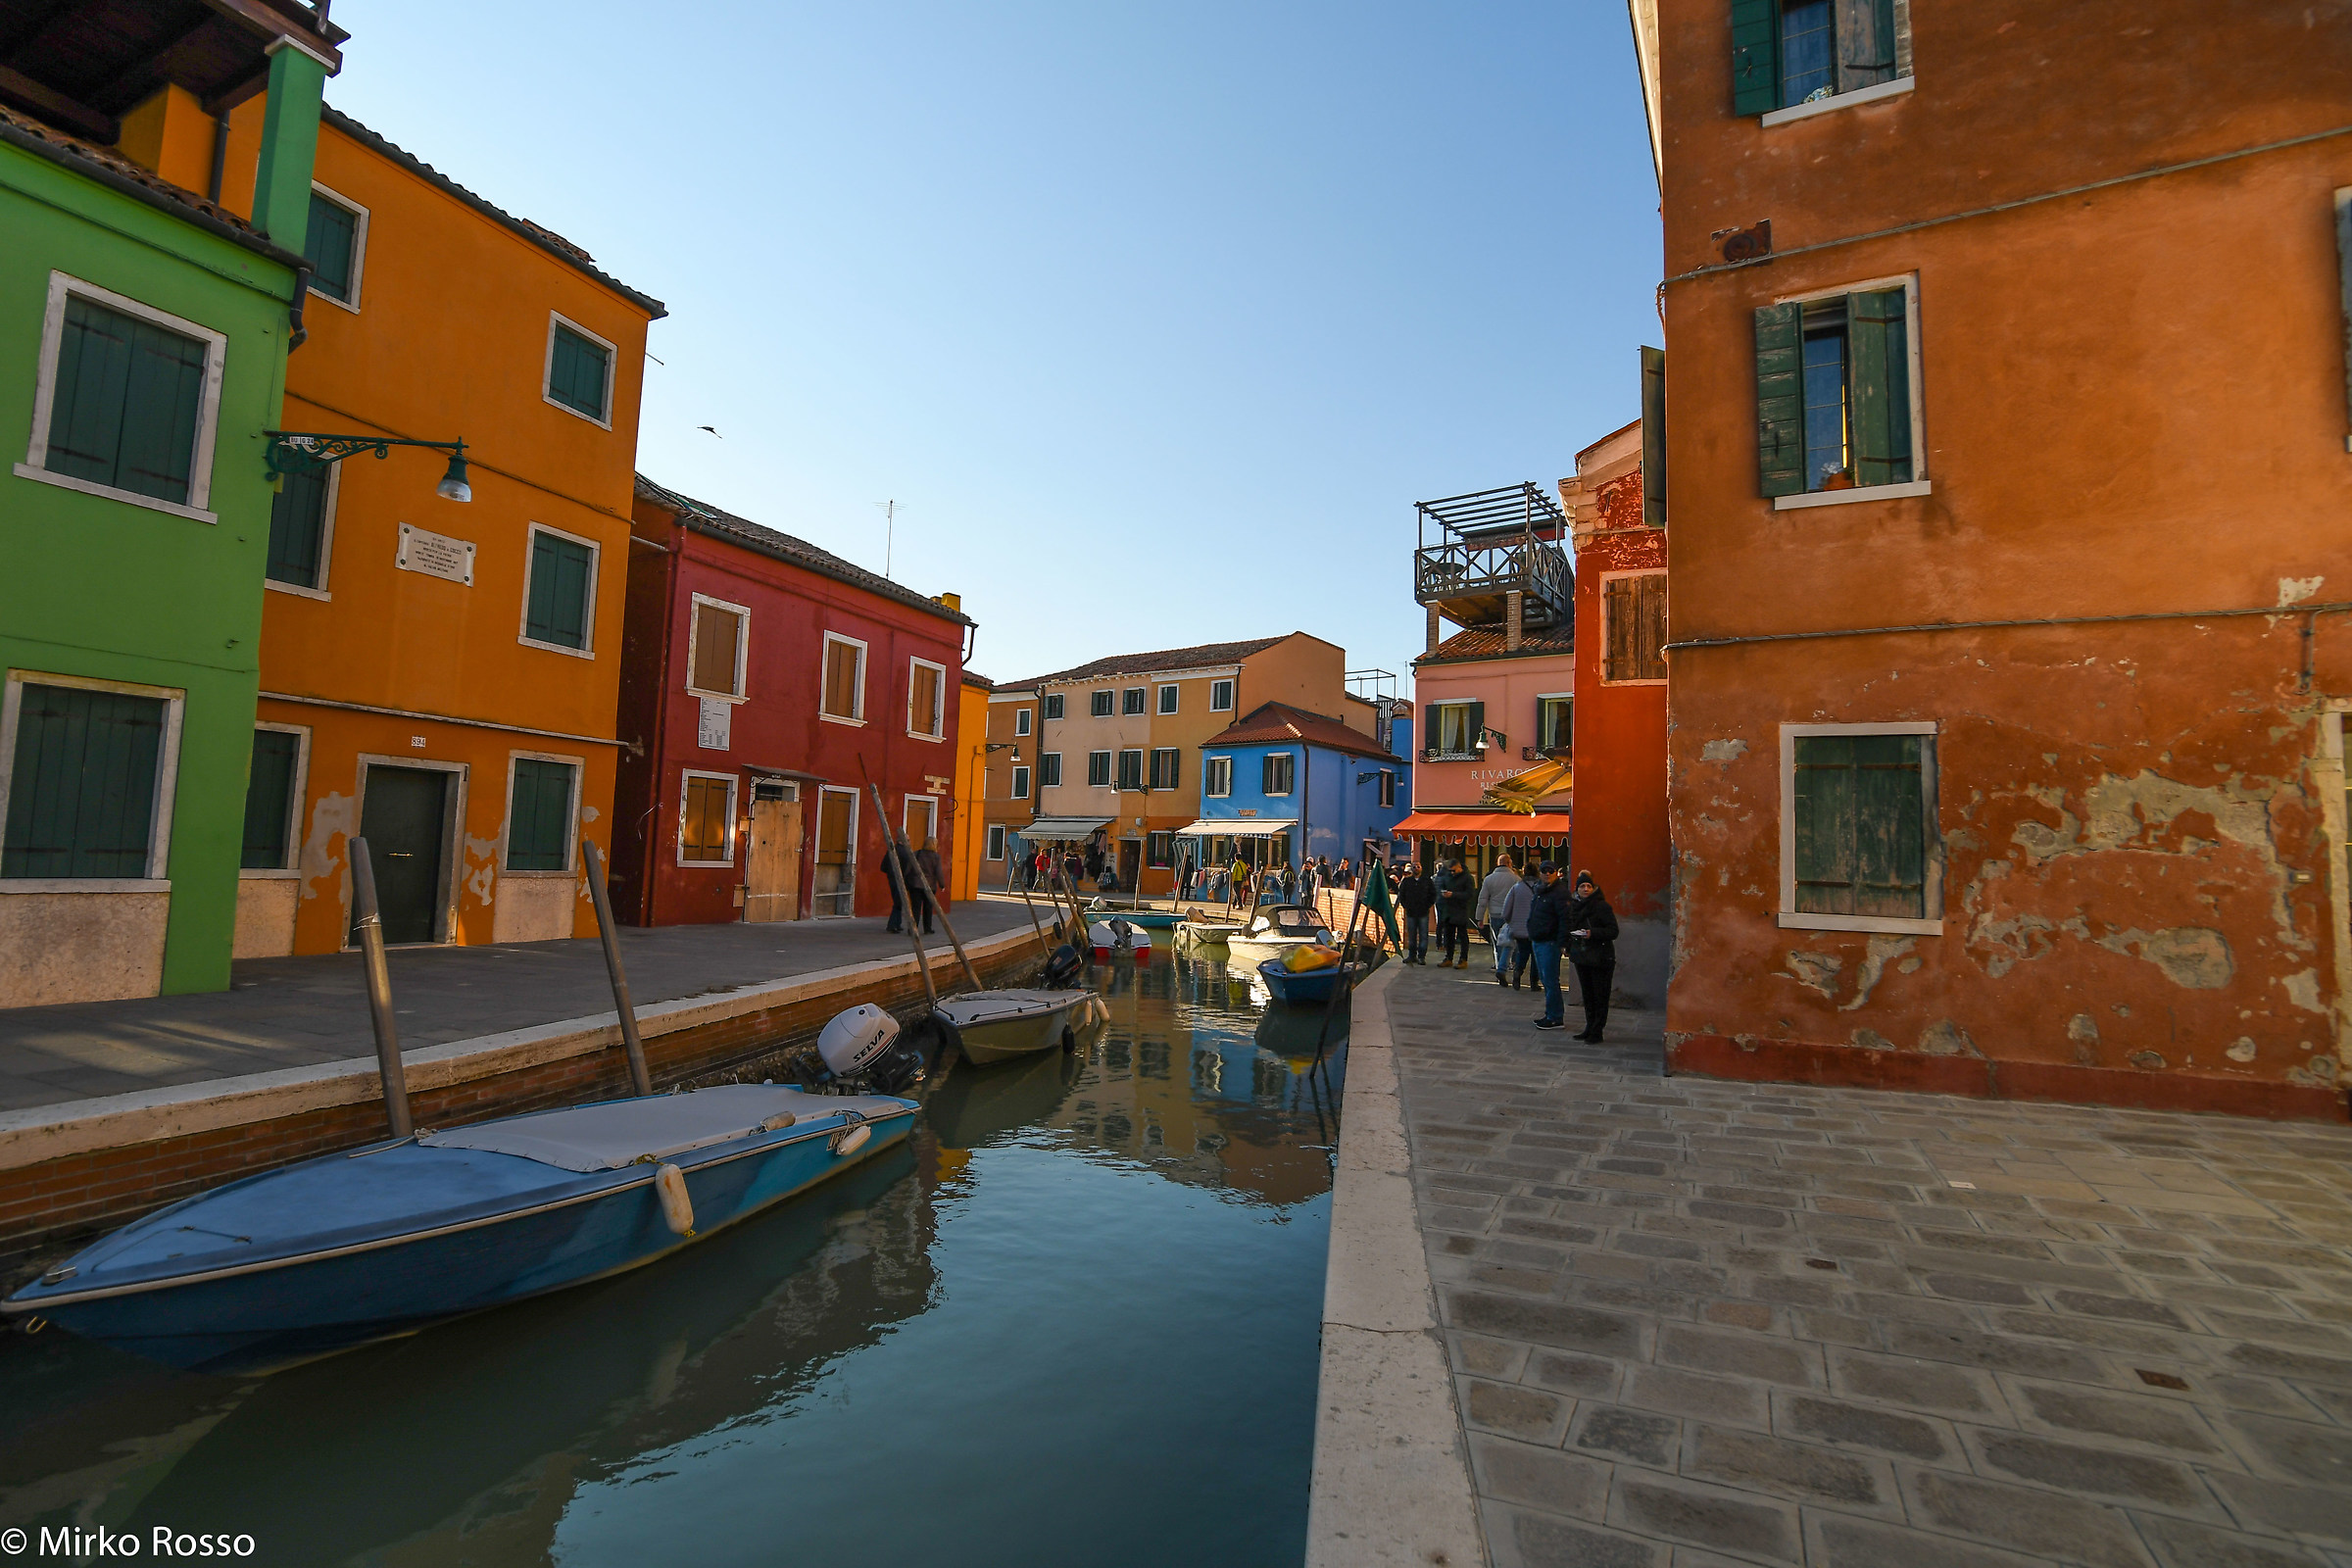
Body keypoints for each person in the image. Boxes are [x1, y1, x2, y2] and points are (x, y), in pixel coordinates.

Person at [1566, 871, 1621, 1042]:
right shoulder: (1574, 906)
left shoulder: (1602, 907)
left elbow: (1613, 931)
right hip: (1583, 957)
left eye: (1589, 886)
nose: (1586, 889)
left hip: (1601, 957)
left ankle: (1597, 1031)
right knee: (1588, 994)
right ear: (1577, 889)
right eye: (1582, 886)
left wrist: (1593, 933)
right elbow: (1570, 927)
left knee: (1600, 995)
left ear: (1594, 888)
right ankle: (1589, 1027)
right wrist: (1568, 946)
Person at [1524, 861, 1571, 1029]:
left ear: (1556, 873)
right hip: (1538, 939)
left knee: (1550, 980)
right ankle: (1550, 1013)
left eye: (1550, 871)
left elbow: (1565, 919)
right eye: (1544, 870)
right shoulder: (1539, 890)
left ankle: (1555, 1017)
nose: (1547, 873)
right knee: (1546, 979)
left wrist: (1563, 942)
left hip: (1550, 942)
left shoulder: (1559, 893)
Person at [1475, 853, 1523, 987]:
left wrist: (1479, 917)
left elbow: (1482, 900)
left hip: (1495, 914)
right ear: (1509, 863)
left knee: (1497, 943)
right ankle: (1510, 965)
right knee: (1512, 942)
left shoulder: (1489, 879)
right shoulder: (1516, 879)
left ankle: (1499, 966)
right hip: (1511, 916)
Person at [1434, 857, 1476, 968]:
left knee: (1462, 936)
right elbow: (1441, 886)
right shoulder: (1447, 876)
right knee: (1448, 936)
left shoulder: (1467, 878)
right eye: (1450, 870)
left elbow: (1469, 894)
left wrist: (1453, 894)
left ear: (1459, 867)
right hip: (1448, 910)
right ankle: (1449, 957)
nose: (1452, 873)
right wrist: (1443, 893)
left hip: (1461, 909)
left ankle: (1463, 959)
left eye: (1454, 870)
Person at [1396, 863, 1437, 964]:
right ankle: (1412, 955)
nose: (1416, 869)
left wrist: (1427, 905)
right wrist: (1406, 906)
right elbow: (1402, 895)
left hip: (1423, 912)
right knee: (1412, 935)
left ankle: (1421, 956)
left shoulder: (1427, 881)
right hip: (1411, 912)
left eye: (1418, 867)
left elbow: (1433, 895)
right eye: (1414, 867)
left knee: (1423, 935)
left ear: (1421, 868)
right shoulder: (1407, 882)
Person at [914, 837, 944, 934]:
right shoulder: (935, 857)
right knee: (928, 908)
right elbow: (938, 872)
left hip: (916, 885)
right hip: (930, 886)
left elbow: (909, 868)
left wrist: (907, 882)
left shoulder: (917, 854)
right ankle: (927, 928)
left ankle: (913, 928)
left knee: (916, 908)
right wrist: (942, 885)